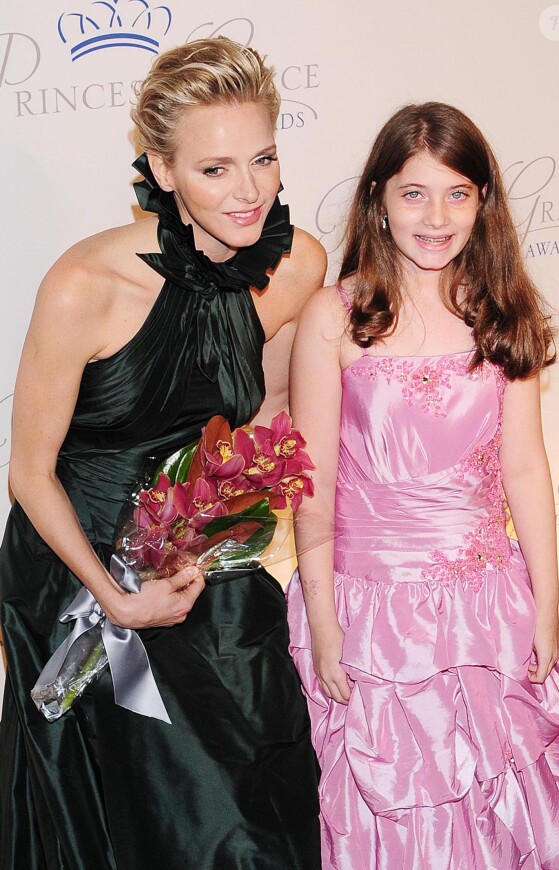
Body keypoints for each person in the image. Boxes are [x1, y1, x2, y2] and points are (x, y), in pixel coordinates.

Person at [0, 37, 326, 869]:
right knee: (123, 808)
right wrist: (116, 596)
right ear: (163, 168)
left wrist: (236, 523)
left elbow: (270, 414)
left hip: (200, 554)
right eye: (215, 169)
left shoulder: (298, 268)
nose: (249, 190)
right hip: (78, 572)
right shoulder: (86, 284)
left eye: (263, 158)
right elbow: (29, 471)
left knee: (244, 800)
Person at [286, 102, 559, 869]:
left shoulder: (501, 315)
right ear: (379, 199)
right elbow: (310, 487)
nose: (436, 215)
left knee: (501, 796)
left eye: (457, 192)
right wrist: (323, 622)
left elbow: (523, 469)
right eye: (414, 192)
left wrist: (544, 609)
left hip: (485, 610)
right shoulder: (334, 318)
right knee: (393, 804)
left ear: (483, 202)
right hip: (369, 615)